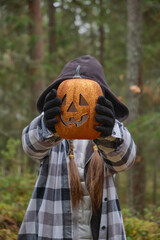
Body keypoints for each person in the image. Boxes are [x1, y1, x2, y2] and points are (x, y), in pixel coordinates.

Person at [17, 55, 136, 240]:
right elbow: (30, 145)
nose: (73, 107)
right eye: (67, 98)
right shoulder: (52, 130)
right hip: (52, 231)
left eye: (83, 100)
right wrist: (48, 126)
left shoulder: (112, 130)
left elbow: (124, 160)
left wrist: (108, 132)